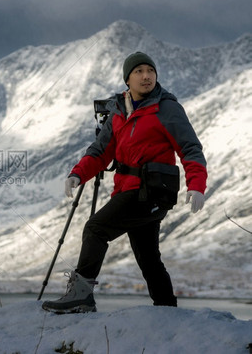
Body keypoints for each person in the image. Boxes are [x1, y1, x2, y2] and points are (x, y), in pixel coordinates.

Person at [42, 52, 207, 313]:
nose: (146, 76)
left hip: (152, 192)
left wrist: (197, 185)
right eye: (139, 71)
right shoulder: (118, 112)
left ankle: (81, 297)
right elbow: (100, 151)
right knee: (149, 258)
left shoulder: (166, 108)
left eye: (150, 71)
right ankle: (168, 310)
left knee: (96, 228)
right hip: (127, 190)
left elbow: (190, 149)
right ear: (127, 79)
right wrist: (77, 174)